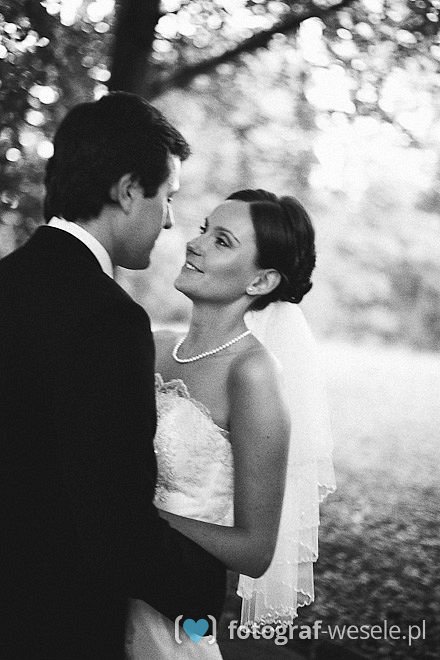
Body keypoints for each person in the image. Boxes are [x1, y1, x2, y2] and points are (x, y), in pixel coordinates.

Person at [0, 92, 227, 660]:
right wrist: (204, 591)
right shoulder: (109, 320)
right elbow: (113, 525)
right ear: (128, 191)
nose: (170, 219)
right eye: (167, 197)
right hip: (56, 624)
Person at [126, 189, 336, 657]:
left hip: (169, 610)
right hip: (102, 590)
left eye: (221, 241)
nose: (195, 243)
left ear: (261, 281)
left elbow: (254, 551)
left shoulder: (252, 374)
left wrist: (136, 516)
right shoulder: (153, 346)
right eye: (204, 230)